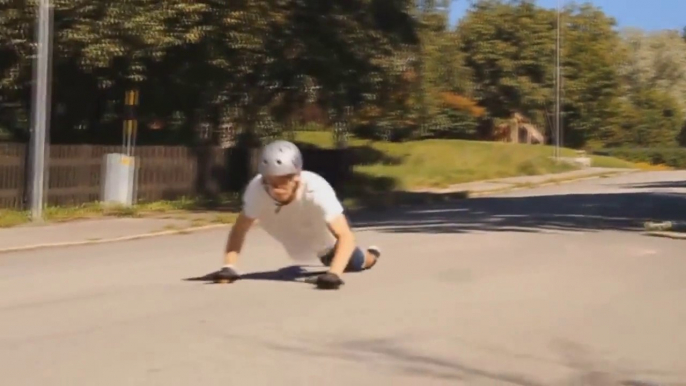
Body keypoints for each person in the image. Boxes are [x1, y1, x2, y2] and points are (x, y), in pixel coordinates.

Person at [215, 139, 381, 289]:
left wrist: (333, 274)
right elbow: (239, 229)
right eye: (270, 181)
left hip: (328, 244)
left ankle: (372, 255)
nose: (276, 188)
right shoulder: (256, 190)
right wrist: (229, 267)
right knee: (326, 258)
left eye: (283, 180)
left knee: (356, 261)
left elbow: (345, 236)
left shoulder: (316, 189)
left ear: (296, 177)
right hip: (301, 245)